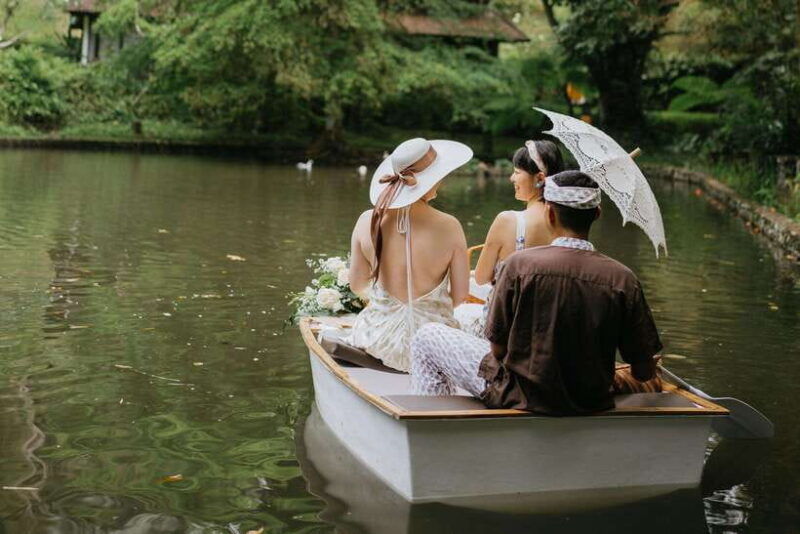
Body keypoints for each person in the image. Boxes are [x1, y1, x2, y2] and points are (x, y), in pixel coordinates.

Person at [410, 170, 662, 415]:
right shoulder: (623, 279)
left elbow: (497, 350)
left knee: (425, 336)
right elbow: (643, 372)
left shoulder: (518, 266)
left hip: (516, 394)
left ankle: (433, 424)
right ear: (597, 214)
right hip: (590, 401)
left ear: (549, 213)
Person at [345, 138, 473, 372]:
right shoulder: (450, 226)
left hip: (378, 341)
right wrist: (425, 308)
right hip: (432, 344)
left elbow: (357, 285)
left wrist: (389, 305)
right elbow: (460, 295)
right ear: (431, 180)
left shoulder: (366, 220)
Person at [455, 140, 565, 336]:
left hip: (504, 330)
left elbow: (481, 277)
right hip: (543, 328)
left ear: (539, 178)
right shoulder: (566, 225)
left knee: (453, 312)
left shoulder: (508, 220)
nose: (511, 178)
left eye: (517, 172)